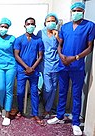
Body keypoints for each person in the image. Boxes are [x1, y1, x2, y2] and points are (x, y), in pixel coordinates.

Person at [47, 2, 95, 135]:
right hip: (63, 65)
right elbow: (59, 44)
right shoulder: (65, 27)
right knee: (61, 91)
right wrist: (61, 55)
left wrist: (75, 57)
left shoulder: (89, 26)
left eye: (78, 10)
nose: (76, 12)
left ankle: (75, 123)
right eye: (73, 10)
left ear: (83, 12)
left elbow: (90, 47)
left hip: (77, 66)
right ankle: (59, 115)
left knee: (76, 94)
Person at [14, 17, 44, 125]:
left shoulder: (38, 40)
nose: (30, 26)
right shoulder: (19, 39)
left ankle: (35, 113)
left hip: (34, 71)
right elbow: (16, 55)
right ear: (24, 26)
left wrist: (32, 68)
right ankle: (20, 110)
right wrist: (26, 67)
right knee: (20, 92)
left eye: (32, 24)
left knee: (34, 93)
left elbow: (40, 56)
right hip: (22, 70)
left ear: (35, 26)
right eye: (28, 24)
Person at [0, 17, 17, 126]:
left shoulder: (12, 38)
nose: (3, 28)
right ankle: (2, 105)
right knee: (0, 88)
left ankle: (7, 113)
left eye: (5, 27)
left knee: (9, 89)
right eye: (2, 26)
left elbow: (16, 52)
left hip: (11, 65)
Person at [37, 13, 60, 118]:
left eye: (53, 21)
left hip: (56, 63)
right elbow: (36, 46)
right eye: (49, 21)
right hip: (44, 63)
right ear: (45, 23)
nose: (51, 23)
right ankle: (44, 101)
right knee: (48, 88)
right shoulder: (40, 33)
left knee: (54, 88)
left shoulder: (58, 33)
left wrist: (58, 37)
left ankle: (47, 109)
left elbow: (62, 47)